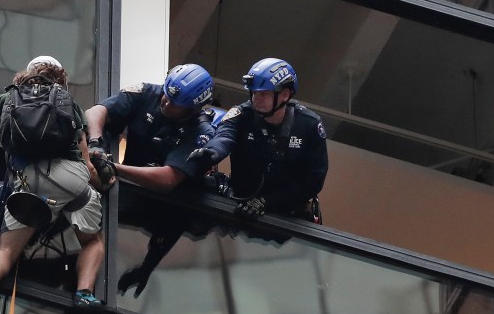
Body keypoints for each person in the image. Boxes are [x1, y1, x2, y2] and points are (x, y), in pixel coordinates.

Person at [0, 55, 106, 314]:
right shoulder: (70, 105)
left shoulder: (6, 100)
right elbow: (88, 167)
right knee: (92, 241)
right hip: (70, 179)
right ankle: (84, 294)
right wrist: (103, 182)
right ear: (61, 79)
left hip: (27, 182)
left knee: (6, 249)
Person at [84, 63, 216, 296]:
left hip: (166, 210)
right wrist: (95, 142)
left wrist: (114, 167)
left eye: (176, 103)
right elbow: (95, 112)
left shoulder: (201, 132)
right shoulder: (148, 93)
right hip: (123, 195)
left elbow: (168, 179)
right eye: (166, 93)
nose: (166, 101)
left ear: (193, 109)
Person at [189, 58, 328, 220]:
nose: (256, 99)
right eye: (254, 93)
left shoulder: (309, 126)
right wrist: (211, 152)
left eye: (263, 93)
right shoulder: (241, 113)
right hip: (237, 207)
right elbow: (224, 136)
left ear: (285, 94)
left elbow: (313, 180)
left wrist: (266, 202)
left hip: (285, 218)